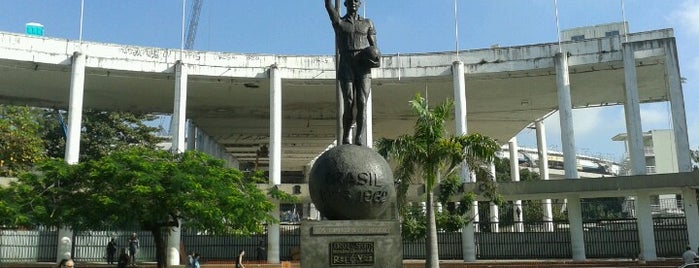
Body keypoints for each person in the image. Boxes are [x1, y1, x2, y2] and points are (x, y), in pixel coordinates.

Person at [324, 0, 380, 146]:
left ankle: (359, 137)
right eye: (350, 1)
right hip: (346, 64)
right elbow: (328, 6)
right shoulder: (340, 22)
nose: (353, 3)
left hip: (363, 65)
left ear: (360, 4)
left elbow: (375, 48)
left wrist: (376, 59)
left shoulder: (368, 23)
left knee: (362, 102)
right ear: (345, 4)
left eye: (356, 1)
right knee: (349, 102)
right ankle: (346, 136)